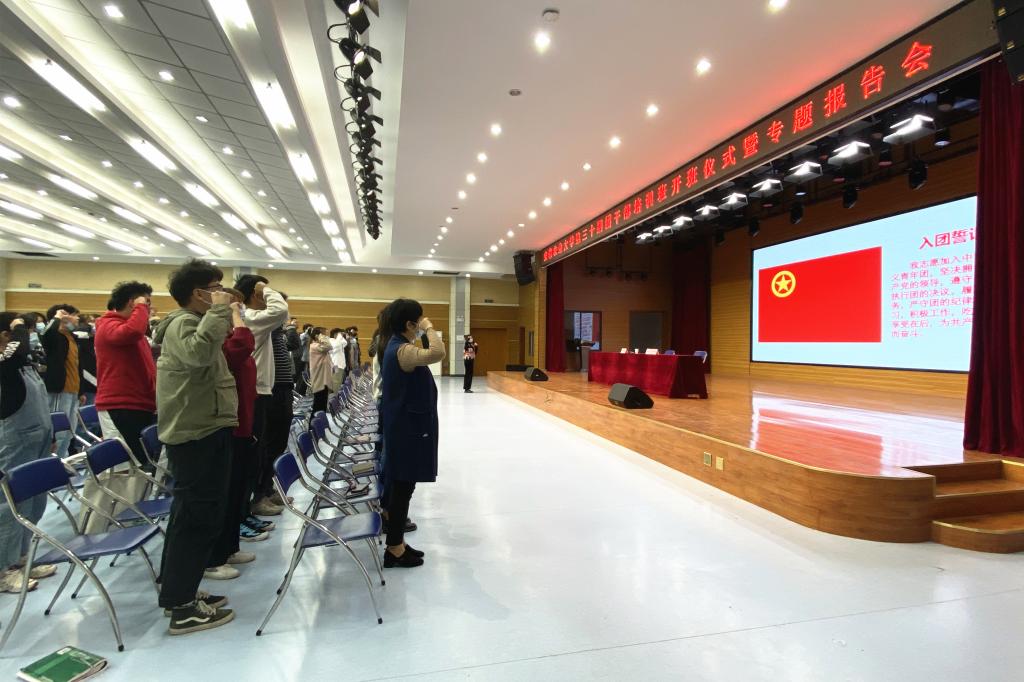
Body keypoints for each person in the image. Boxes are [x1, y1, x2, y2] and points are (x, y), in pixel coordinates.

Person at [153, 259, 236, 634]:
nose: (222, 294)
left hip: (204, 428)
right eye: (215, 288)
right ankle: (182, 608)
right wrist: (218, 311)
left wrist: (219, 314)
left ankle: (179, 592)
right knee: (196, 519)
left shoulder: (196, 322)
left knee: (193, 517)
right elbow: (199, 355)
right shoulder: (183, 324)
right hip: (195, 434)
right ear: (198, 293)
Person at [379, 299, 445, 568]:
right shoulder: (402, 350)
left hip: (404, 426)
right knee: (402, 487)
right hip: (406, 428)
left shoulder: (395, 345)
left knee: (403, 487)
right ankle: (394, 548)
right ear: (409, 324)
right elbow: (438, 352)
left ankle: (398, 543)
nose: (421, 325)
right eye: (418, 321)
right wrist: (429, 328)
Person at [205, 287, 265, 580]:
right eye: (235, 308)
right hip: (228, 426)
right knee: (225, 496)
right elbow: (242, 343)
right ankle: (214, 557)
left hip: (243, 425)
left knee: (237, 491)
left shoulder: (228, 338)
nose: (240, 313)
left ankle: (229, 547)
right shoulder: (220, 343)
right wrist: (230, 313)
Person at [0, 313, 57, 593]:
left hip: (38, 435)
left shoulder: (23, 362)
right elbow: (16, 351)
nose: (29, 336)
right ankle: (3, 570)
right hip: (15, 439)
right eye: (23, 332)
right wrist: (19, 327)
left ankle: (21, 558)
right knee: (9, 505)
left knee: (33, 503)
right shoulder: (6, 360)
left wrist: (51, 435)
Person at [234, 275, 289, 517]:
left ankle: (259, 495)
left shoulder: (252, 318)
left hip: (261, 389)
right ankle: (252, 502)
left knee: (263, 448)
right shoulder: (250, 317)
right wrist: (265, 288)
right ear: (255, 295)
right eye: (263, 293)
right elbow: (280, 310)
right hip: (255, 391)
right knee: (255, 452)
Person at [94, 282, 157, 468]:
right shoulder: (108, 325)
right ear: (132, 303)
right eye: (147, 302)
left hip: (139, 403)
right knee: (129, 468)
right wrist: (141, 307)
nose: (149, 308)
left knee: (147, 462)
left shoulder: (131, 331)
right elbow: (132, 332)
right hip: (120, 405)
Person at [41, 304, 83, 458]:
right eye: (75, 315)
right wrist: (57, 317)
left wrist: (81, 391)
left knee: (69, 433)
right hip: (60, 390)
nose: (77, 319)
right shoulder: (55, 338)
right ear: (64, 317)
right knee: (58, 432)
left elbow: (77, 365)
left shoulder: (71, 337)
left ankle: (63, 463)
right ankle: (52, 465)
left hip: (73, 391)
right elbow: (46, 334)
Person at [307, 327, 333, 415]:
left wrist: (321, 336)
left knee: (323, 404)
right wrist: (320, 337)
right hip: (319, 379)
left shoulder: (319, 346)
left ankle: (320, 420)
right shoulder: (314, 346)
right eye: (323, 335)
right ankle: (313, 422)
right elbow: (329, 346)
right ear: (317, 336)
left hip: (323, 379)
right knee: (318, 405)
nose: (326, 337)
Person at [328, 327, 348, 391]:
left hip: (340, 365)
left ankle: (335, 395)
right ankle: (334, 395)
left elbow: (345, 343)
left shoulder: (338, 342)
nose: (341, 336)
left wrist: (340, 336)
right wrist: (339, 336)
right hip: (335, 365)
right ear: (335, 334)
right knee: (336, 381)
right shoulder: (331, 341)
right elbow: (336, 346)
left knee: (338, 381)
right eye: (339, 334)